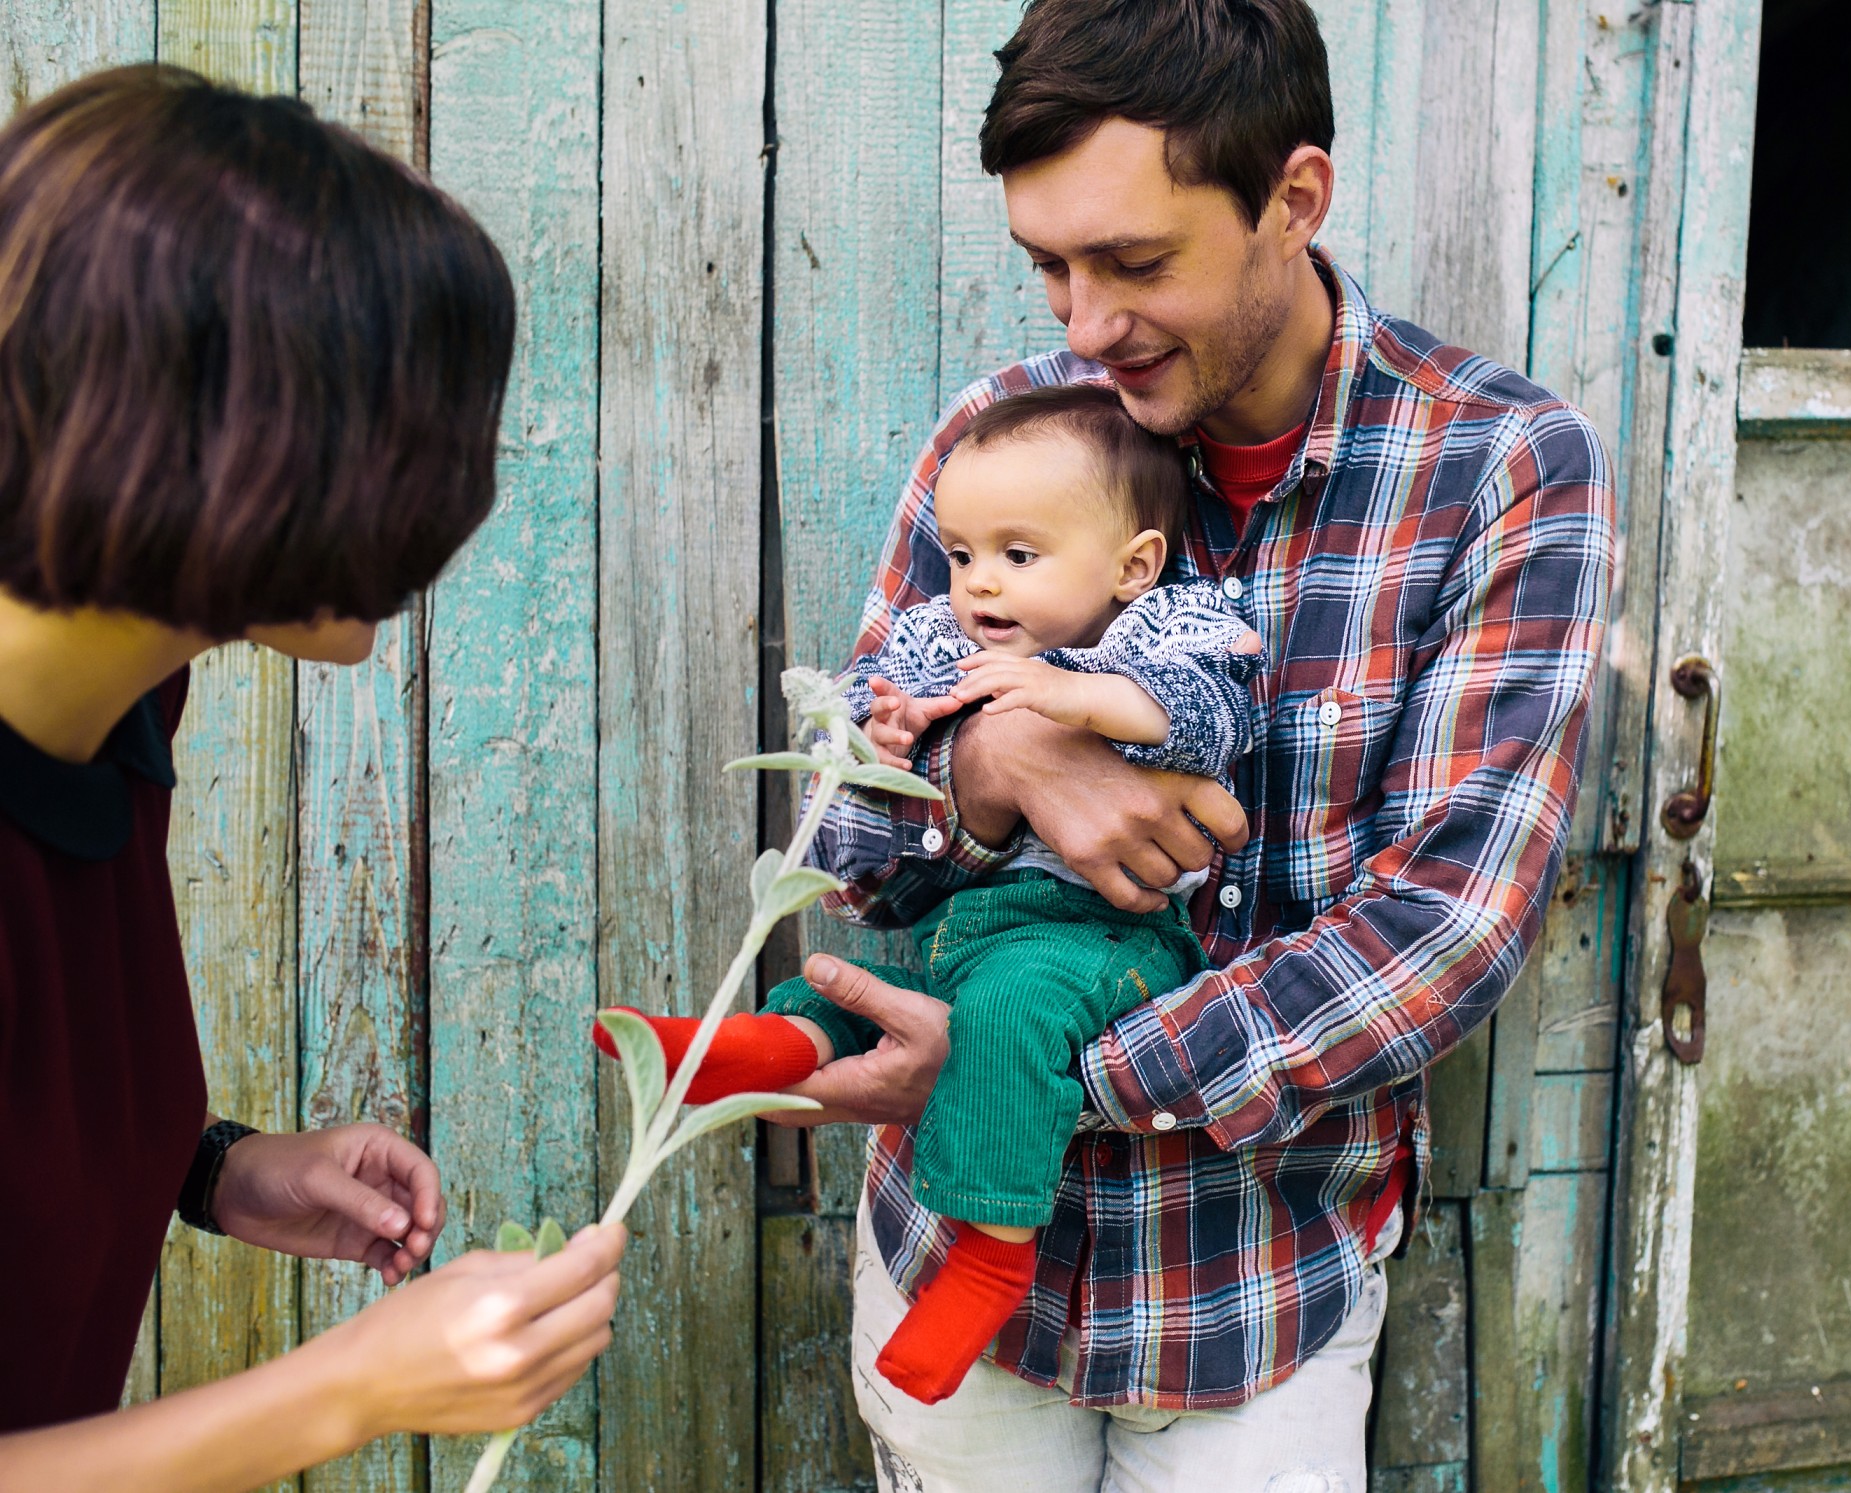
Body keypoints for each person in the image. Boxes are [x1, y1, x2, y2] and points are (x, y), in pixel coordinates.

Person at [761, 0, 1615, 1487]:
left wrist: (1026, 1070)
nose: (1083, 326)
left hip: (1249, 1304)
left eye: (1136, 263)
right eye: (1051, 267)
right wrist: (996, 767)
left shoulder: (1499, 467)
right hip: (948, 1285)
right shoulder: (1007, 435)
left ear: (1294, 199)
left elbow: (1445, 928)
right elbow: (844, 838)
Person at [0, 66, 624, 1490]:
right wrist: (349, 1388)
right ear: (229, 429)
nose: (458, 491)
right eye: (418, 422)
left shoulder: (123, 695)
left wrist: (213, 1165)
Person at [598, 384, 1259, 1406]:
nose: (978, 583)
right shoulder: (940, 641)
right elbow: (862, 754)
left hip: (1105, 938)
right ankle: (756, 1049)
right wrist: (905, 734)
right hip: (968, 926)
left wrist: (1065, 700)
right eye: (959, 555)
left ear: (1131, 564)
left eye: (1017, 555)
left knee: (1003, 1018)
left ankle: (989, 1256)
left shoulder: (1166, 626)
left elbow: (1207, 716)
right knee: (857, 990)